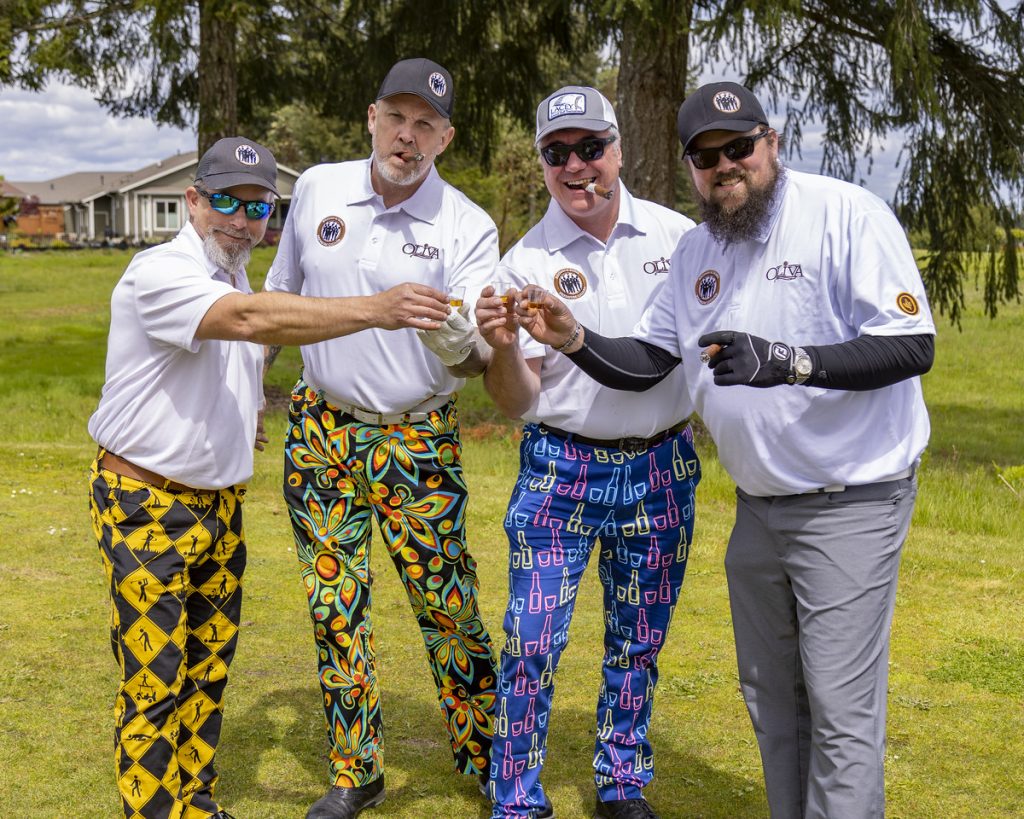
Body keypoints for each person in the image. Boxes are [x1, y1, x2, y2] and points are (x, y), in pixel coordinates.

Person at [516, 81, 935, 819]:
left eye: (738, 147)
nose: (724, 166)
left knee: (839, 709)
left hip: (849, 503)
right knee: (773, 702)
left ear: (770, 142)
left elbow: (911, 344)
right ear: (689, 167)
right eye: (705, 157)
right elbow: (651, 359)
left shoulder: (846, 216)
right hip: (759, 510)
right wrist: (573, 337)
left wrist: (790, 360)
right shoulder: (697, 251)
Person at [88, 136, 455, 819]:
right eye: (225, 200)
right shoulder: (160, 270)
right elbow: (250, 323)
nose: (241, 218)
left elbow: (240, 341)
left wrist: (243, 409)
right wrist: (379, 307)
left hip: (217, 505)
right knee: (154, 676)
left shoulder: (234, 274)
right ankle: (153, 811)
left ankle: (196, 803)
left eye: (258, 206)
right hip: (145, 503)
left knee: (206, 667)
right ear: (193, 201)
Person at [263, 57, 500, 819]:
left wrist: (456, 334)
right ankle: (355, 768)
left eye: (426, 123)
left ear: (446, 136)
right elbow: (278, 300)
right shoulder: (318, 190)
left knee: (448, 605)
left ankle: (490, 756)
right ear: (371, 116)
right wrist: (243, 396)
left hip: (416, 437)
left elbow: (473, 361)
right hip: (321, 430)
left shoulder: (467, 224)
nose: (408, 135)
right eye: (397, 117)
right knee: (336, 607)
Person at [474, 85, 701, 819]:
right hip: (562, 467)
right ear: (543, 162)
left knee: (639, 638)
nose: (577, 167)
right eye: (556, 153)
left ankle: (621, 778)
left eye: (590, 148)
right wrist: (505, 348)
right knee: (532, 639)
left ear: (619, 148)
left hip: (661, 464)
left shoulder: (677, 237)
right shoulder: (523, 261)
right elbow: (514, 401)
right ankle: (514, 793)